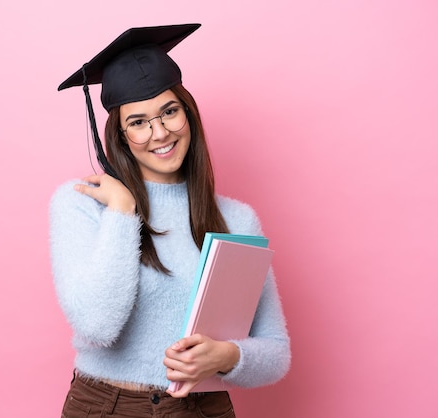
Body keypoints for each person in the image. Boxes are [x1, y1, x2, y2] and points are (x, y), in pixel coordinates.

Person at [49, 24, 290, 418]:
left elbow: (276, 352)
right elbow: (97, 327)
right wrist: (123, 213)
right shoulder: (83, 204)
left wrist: (227, 356)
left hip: (203, 408)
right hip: (108, 408)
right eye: (139, 122)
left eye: (169, 112)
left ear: (188, 113)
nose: (159, 132)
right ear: (121, 136)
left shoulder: (236, 218)